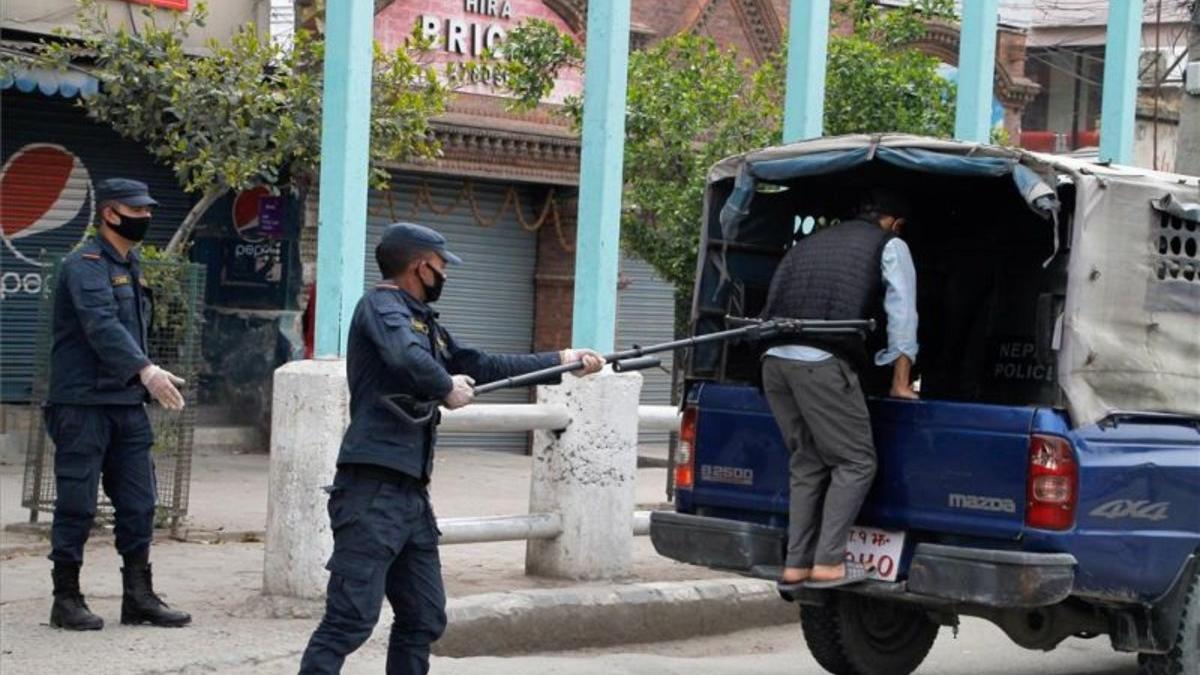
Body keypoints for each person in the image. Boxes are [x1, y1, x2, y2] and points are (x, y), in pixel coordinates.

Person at [299, 222, 605, 674]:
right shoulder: (381, 307)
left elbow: (480, 365)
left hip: (410, 496)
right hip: (371, 491)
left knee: (423, 616)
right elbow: (406, 357)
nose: (445, 274)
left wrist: (562, 360)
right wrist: (445, 387)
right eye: (442, 266)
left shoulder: (424, 322)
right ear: (421, 266)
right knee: (350, 620)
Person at [45, 178, 192, 630]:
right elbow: (101, 325)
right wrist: (145, 371)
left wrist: (141, 378)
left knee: (140, 502)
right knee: (77, 504)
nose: (145, 218)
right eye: (137, 211)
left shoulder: (131, 264)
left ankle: (139, 596)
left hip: (126, 405)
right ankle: (65, 598)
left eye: (148, 210)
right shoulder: (84, 266)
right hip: (83, 404)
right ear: (110, 213)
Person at [759, 188, 919, 591]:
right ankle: (829, 562)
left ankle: (796, 564)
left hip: (771, 361)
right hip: (820, 363)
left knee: (807, 460)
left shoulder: (812, 242)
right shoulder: (890, 244)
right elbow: (902, 315)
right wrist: (901, 382)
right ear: (895, 223)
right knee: (856, 461)